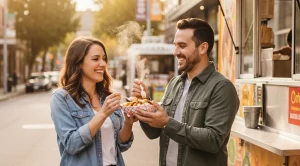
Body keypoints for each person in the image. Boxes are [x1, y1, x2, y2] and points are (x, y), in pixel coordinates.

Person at [131, 18, 240, 166]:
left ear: (203, 48)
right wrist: (143, 104)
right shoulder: (174, 83)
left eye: (182, 46)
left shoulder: (222, 87)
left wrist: (167, 123)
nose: (175, 52)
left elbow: (213, 140)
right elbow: (153, 133)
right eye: (175, 46)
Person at [50, 37, 137, 166]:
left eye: (104, 58)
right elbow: (71, 144)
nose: (102, 64)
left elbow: (121, 145)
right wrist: (102, 114)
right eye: (96, 59)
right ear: (78, 63)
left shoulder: (108, 96)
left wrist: (128, 123)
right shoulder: (62, 98)